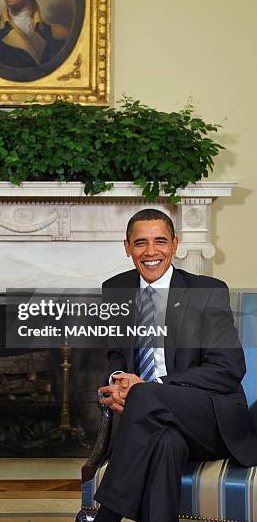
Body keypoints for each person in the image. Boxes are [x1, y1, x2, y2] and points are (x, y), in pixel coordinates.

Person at [93, 208, 257, 522]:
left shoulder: (206, 291)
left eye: (160, 241)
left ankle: (107, 516)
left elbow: (229, 369)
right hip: (153, 424)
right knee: (167, 445)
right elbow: (116, 355)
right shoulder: (116, 289)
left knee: (145, 395)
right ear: (127, 247)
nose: (151, 251)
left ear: (175, 244)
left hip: (211, 419)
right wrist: (117, 381)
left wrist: (152, 389)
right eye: (140, 243)